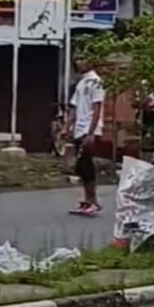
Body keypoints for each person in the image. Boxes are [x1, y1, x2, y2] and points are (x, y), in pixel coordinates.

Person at [68, 51, 106, 216]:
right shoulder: (81, 83)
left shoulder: (96, 82)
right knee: (82, 168)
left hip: (88, 130)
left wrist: (91, 133)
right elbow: (74, 108)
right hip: (79, 129)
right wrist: (67, 126)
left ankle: (94, 201)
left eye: (83, 59)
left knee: (86, 165)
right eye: (77, 59)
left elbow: (97, 108)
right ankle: (87, 200)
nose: (79, 62)